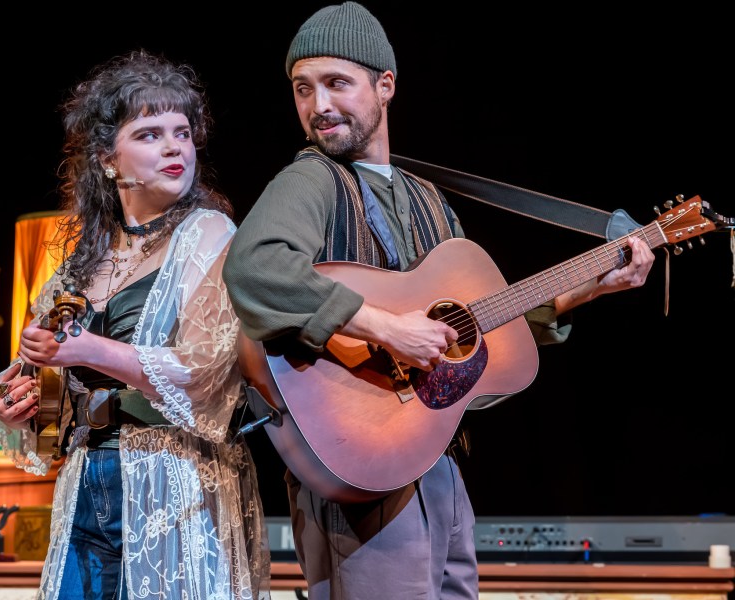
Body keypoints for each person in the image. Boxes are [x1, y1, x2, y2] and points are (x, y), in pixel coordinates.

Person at [222, 3, 656, 599]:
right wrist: (385, 328)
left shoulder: (428, 199)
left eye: (337, 83)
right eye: (303, 88)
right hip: (361, 468)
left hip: (432, 461)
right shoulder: (312, 179)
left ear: (385, 85)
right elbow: (255, 267)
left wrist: (591, 287)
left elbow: (480, 324)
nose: (318, 104)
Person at [0, 50, 272, 600]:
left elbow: (206, 372)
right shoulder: (84, 259)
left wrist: (88, 350)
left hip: (174, 484)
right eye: (149, 134)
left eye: (182, 133)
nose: (174, 147)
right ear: (107, 160)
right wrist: (16, 399)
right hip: (86, 482)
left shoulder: (208, 235)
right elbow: (51, 403)